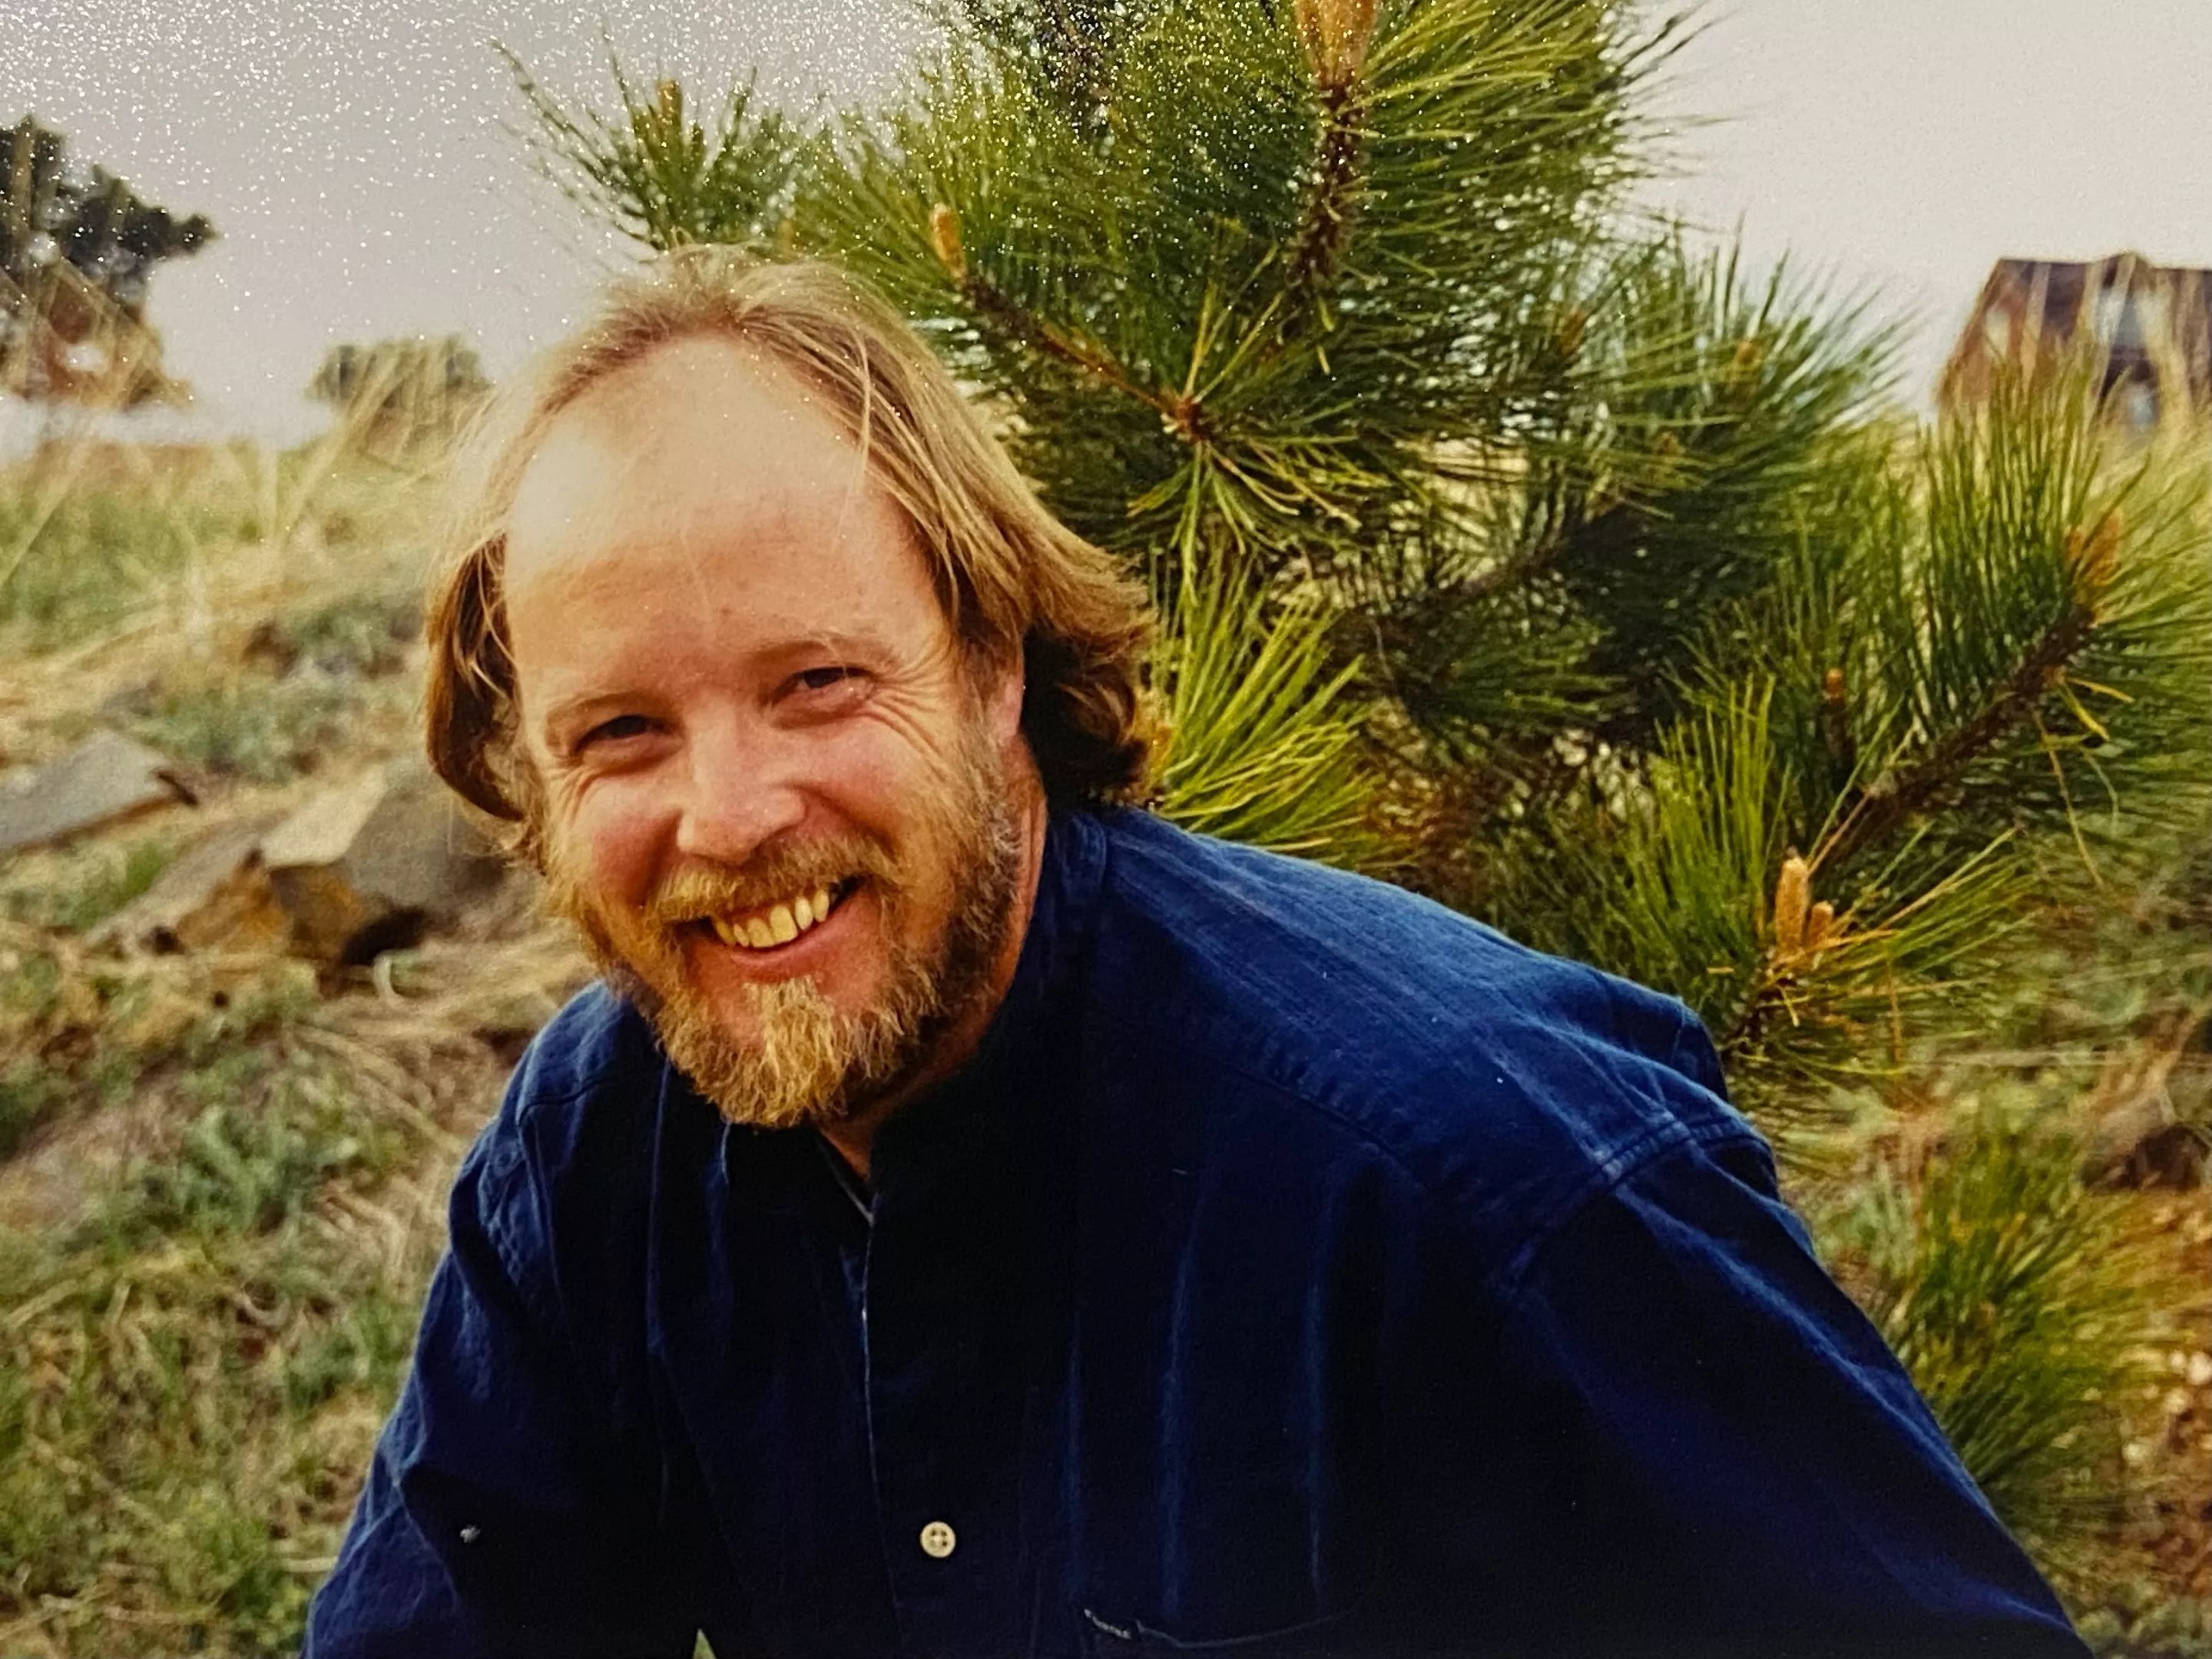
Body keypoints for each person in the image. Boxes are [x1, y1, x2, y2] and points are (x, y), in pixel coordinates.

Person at [305, 250, 2087, 1659]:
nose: (730, 813)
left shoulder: (1482, 1179)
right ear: (526, 772)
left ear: (993, 665)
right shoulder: (593, 1144)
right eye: (619, 732)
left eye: (817, 683)